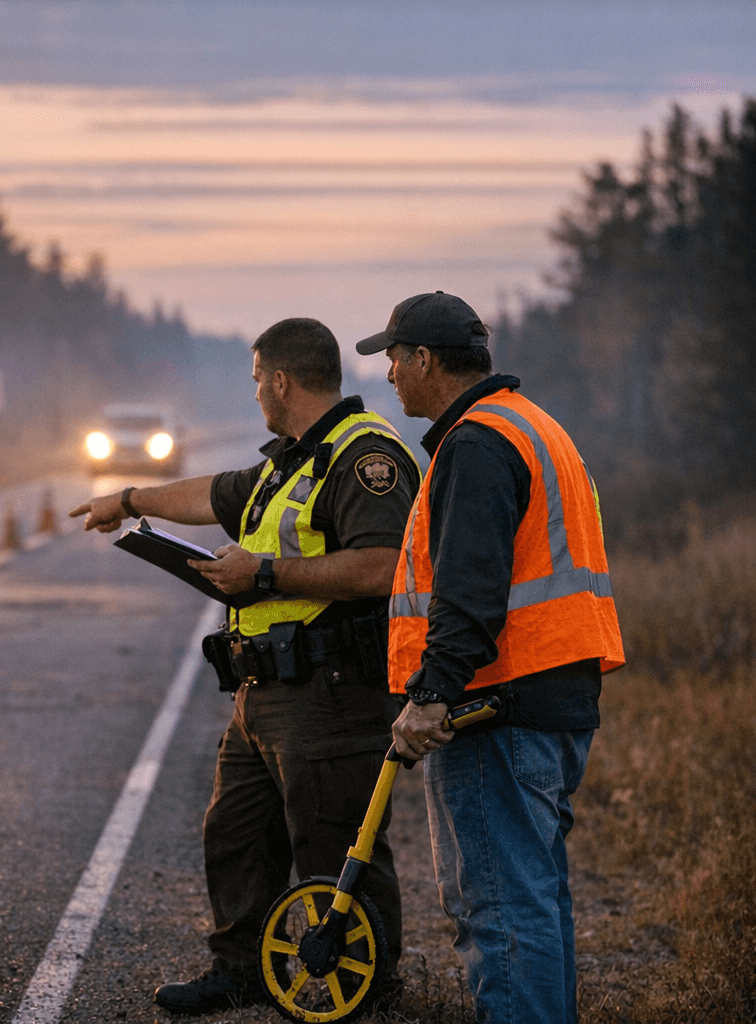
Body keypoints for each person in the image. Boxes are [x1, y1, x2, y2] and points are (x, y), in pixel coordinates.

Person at [70, 318, 419, 1014]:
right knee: (236, 835)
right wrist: (131, 500)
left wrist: (265, 574)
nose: (256, 390)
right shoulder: (289, 460)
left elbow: (383, 567)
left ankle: (368, 991)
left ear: (282, 380)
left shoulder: (363, 456)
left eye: (258, 378)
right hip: (261, 690)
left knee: (332, 843)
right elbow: (212, 496)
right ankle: (243, 970)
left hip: (331, 691)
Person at [357, 291, 624, 1024]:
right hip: (556, 697)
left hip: (496, 706)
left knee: (500, 904)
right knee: (535, 895)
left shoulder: (475, 444)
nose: (388, 376)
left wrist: (432, 693)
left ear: (424, 360)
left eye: (393, 358)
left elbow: (470, 589)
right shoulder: (534, 427)